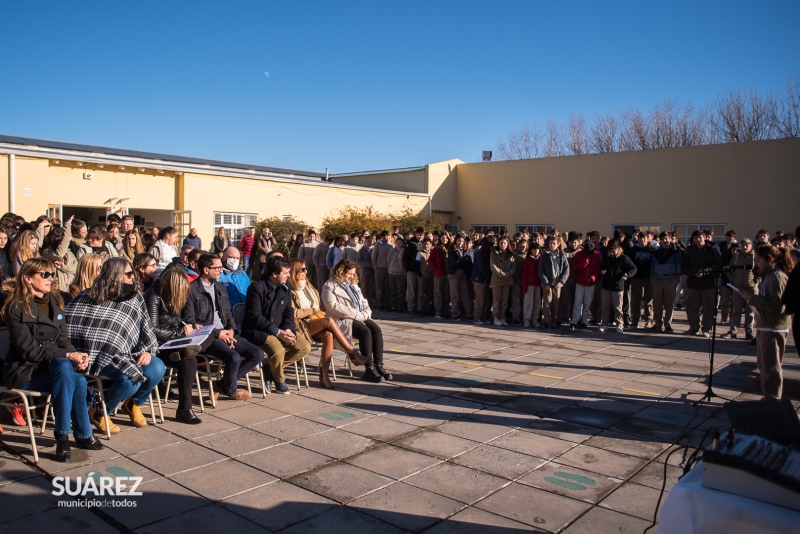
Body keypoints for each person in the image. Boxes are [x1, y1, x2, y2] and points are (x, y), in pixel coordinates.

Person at [2, 258, 102, 461]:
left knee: (75, 375)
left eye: (51, 274)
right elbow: (29, 351)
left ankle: (67, 436)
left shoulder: (55, 301)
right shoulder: (16, 307)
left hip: (52, 368)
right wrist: (67, 355)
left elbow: (64, 339)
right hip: (25, 370)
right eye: (44, 274)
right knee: (69, 372)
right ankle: (75, 435)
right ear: (28, 278)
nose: (50, 279)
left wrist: (77, 357)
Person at [65, 257, 165, 432]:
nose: (132, 277)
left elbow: (145, 328)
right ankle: (101, 413)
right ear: (114, 275)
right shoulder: (86, 295)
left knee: (157, 369)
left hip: (128, 353)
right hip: (95, 356)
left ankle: (134, 403)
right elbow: (72, 325)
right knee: (129, 381)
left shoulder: (135, 298)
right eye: (127, 274)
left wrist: (147, 350)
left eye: (132, 273)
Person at [183, 253, 264, 400]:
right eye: (218, 267)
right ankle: (230, 390)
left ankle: (222, 384)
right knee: (233, 358)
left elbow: (227, 314)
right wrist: (217, 334)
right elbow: (191, 321)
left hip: (226, 332)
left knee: (257, 354)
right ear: (206, 270)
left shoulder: (220, 288)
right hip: (207, 337)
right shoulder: (191, 290)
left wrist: (231, 330)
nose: (221, 270)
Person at [288, 258, 365, 388]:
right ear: (294, 271)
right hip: (298, 325)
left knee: (328, 335)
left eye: (306, 268)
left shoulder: (307, 286)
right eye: (302, 269)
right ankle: (351, 352)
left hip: (313, 321)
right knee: (329, 320)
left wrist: (316, 312)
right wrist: (311, 311)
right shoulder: (289, 288)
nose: (305, 272)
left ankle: (324, 375)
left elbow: (318, 306)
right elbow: (292, 313)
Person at [242, 256, 309, 394]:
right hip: (258, 330)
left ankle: (270, 368)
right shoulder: (256, 288)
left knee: (304, 347)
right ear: (274, 274)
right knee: (277, 350)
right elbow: (255, 317)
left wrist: (289, 329)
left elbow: (288, 312)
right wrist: (278, 332)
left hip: (280, 328)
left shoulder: (285, 286)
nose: (288, 276)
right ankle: (279, 380)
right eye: (285, 273)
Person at [145, 268, 204, 424]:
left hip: (172, 341)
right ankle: (185, 409)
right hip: (156, 346)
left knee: (190, 356)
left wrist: (189, 325)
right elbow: (152, 329)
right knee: (188, 358)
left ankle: (185, 408)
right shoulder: (154, 296)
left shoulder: (173, 295)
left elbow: (177, 320)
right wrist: (179, 332)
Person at [321, 259, 391, 383]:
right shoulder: (329, 285)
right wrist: (358, 315)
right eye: (349, 274)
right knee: (365, 332)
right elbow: (333, 306)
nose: (351, 276)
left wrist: (367, 312)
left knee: (376, 330)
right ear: (341, 271)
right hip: (341, 320)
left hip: (359, 315)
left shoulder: (353, 285)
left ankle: (379, 365)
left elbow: (363, 301)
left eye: (353, 274)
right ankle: (369, 368)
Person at [742, 245, 794, 399]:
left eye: (758, 260)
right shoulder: (769, 276)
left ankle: (772, 399)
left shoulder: (777, 277)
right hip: (765, 325)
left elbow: (778, 306)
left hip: (774, 327)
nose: (756, 264)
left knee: (771, 367)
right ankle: (768, 397)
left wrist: (752, 299)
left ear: (769, 259)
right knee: (763, 366)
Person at [682, 230, 722, 337]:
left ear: (704, 237)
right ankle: (694, 327)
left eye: (700, 237)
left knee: (708, 308)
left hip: (708, 284)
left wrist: (705, 272)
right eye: (695, 238)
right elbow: (685, 268)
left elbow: (718, 266)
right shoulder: (689, 252)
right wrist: (694, 273)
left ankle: (706, 329)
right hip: (693, 284)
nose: (698, 240)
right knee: (692, 307)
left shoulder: (712, 250)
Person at [598, 240, 637, 334]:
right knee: (605, 307)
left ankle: (619, 324)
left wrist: (627, 274)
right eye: (610, 251)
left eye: (613, 250)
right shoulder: (607, 257)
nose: (611, 253)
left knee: (618, 307)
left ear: (618, 249)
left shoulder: (624, 258)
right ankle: (604, 323)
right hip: (606, 285)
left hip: (618, 286)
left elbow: (633, 268)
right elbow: (602, 267)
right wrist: (602, 271)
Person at [722, 238, 756, 340]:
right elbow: (729, 269)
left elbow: (760, 271)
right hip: (738, 287)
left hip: (751, 288)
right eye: (743, 245)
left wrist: (756, 282)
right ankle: (733, 330)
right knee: (736, 310)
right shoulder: (736, 257)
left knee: (750, 311)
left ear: (751, 246)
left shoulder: (755, 257)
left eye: (747, 245)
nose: (744, 247)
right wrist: (733, 280)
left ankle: (749, 331)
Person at [650, 232, 683, 333]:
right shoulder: (655, 252)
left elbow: (679, 267)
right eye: (662, 239)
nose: (664, 241)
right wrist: (652, 278)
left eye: (666, 239)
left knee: (669, 303)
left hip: (670, 280)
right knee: (657, 303)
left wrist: (676, 279)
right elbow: (651, 267)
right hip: (657, 280)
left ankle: (668, 323)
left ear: (670, 239)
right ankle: (658, 323)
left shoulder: (676, 252)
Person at [539, 236, 569, 329]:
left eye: (554, 243)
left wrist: (561, 281)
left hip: (557, 284)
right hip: (547, 284)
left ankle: (554, 321)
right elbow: (541, 270)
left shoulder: (562, 255)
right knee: (547, 303)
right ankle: (547, 321)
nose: (552, 245)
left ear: (558, 244)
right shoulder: (545, 255)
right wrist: (545, 282)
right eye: (550, 243)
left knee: (556, 303)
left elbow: (566, 269)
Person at [627, 231, 656, 329]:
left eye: (644, 239)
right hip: (636, 278)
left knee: (648, 301)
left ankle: (648, 320)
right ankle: (635, 321)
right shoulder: (633, 250)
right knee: (636, 301)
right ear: (638, 239)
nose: (642, 241)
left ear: (648, 239)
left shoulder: (652, 250)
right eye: (640, 238)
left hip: (648, 278)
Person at [41, 220, 78, 293]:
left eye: (63, 241)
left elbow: (75, 269)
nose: (62, 243)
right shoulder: (47, 252)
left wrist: (64, 267)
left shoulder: (69, 253)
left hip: (70, 288)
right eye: (59, 241)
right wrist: (66, 238)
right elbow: (59, 255)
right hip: (56, 288)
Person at [571, 241, 601, 328]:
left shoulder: (596, 255)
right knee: (577, 302)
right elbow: (574, 267)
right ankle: (575, 320)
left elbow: (597, 269)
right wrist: (583, 264)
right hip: (580, 281)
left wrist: (593, 277)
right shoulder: (579, 254)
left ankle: (584, 320)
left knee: (587, 303)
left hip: (591, 282)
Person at [489, 236, 517, 327]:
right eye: (501, 243)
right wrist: (503, 274)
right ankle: (496, 317)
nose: (503, 245)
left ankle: (502, 317)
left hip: (507, 281)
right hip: (497, 280)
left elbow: (514, 267)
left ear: (508, 244)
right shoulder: (494, 253)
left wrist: (508, 274)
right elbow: (493, 267)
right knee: (496, 301)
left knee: (504, 301)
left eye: (504, 243)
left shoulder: (511, 255)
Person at [447, 235, 473, 322]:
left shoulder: (465, 251)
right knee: (455, 295)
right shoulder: (452, 250)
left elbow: (468, 262)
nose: (460, 243)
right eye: (459, 241)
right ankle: (454, 313)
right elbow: (454, 263)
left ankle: (469, 313)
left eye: (462, 241)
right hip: (454, 274)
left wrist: (462, 262)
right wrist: (463, 262)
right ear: (455, 241)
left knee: (465, 294)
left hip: (463, 275)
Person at [471, 237, 493, 325]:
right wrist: (488, 276)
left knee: (486, 299)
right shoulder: (480, 253)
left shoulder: (487, 253)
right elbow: (481, 268)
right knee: (480, 300)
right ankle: (477, 317)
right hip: (479, 279)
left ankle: (483, 317)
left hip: (485, 280)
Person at [522, 242, 543, 328]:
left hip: (538, 284)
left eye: (537, 249)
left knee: (537, 303)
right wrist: (524, 286)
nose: (536, 251)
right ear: (530, 250)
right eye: (534, 249)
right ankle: (527, 319)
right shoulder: (527, 260)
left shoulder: (541, 259)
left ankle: (535, 319)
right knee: (528, 303)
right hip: (529, 285)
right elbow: (524, 275)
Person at [428, 233, 449, 319]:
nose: (444, 240)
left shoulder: (450, 248)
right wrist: (436, 269)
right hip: (438, 274)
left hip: (448, 274)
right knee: (438, 293)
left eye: (446, 238)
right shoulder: (436, 249)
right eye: (443, 238)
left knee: (447, 294)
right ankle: (438, 311)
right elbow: (430, 261)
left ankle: (445, 310)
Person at [371, 232, 393, 310]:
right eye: (384, 238)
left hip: (388, 269)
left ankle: (386, 303)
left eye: (387, 237)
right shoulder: (377, 245)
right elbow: (374, 257)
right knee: (379, 287)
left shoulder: (391, 246)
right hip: (379, 268)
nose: (386, 239)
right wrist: (375, 267)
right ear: (381, 238)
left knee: (387, 287)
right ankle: (379, 303)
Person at [387, 237, 407, 312]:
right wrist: (389, 270)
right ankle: (393, 305)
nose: (399, 244)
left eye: (400, 242)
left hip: (401, 274)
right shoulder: (391, 250)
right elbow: (388, 261)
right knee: (393, 290)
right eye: (397, 242)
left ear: (403, 243)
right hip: (392, 273)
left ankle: (400, 306)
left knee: (401, 291)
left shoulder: (404, 251)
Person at [357, 235, 375, 303]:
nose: (370, 243)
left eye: (371, 241)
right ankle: (362, 302)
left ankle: (370, 303)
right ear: (365, 242)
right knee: (364, 288)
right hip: (364, 271)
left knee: (371, 288)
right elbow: (358, 261)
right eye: (368, 241)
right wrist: (368, 264)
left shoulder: (373, 250)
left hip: (372, 271)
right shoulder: (361, 251)